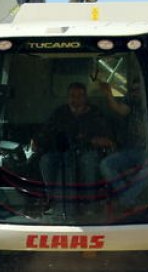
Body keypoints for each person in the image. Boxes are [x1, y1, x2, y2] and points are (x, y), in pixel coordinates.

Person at [38, 82, 114, 216]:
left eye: (80, 96)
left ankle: (89, 204)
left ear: (86, 98)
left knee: (88, 161)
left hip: (88, 152)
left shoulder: (96, 114)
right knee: (47, 160)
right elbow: (46, 133)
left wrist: (93, 140)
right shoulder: (60, 113)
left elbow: (108, 140)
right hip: (62, 152)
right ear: (68, 97)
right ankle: (53, 201)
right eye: (72, 96)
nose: (76, 99)